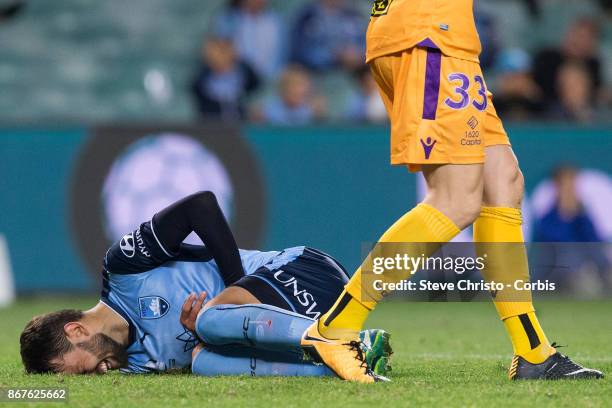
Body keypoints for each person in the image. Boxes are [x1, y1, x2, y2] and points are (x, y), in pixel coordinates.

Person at [299, 0, 604, 383]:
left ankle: (534, 354)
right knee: (455, 200)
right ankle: (334, 329)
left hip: (448, 40)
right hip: (428, 34)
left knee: (503, 183)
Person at [19, 192, 391, 376]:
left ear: (76, 330)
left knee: (213, 321)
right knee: (202, 359)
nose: (101, 372)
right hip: (290, 324)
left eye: (85, 367)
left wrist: (236, 288)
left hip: (303, 272)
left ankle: (331, 340)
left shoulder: (123, 270)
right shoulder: (136, 364)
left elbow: (200, 205)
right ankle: (345, 359)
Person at [191, 36, 260, 121]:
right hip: (212, 129)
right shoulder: (199, 81)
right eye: (216, 50)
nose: (220, 56)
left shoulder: (248, 75)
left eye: (223, 50)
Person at [213, 0, 284, 79]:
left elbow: (281, 59)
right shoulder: (228, 20)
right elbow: (219, 52)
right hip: (236, 79)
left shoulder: (276, 21)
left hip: (270, 80)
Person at [289, 0, 366, 72]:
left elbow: (366, 45)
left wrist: (357, 54)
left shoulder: (353, 14)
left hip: (355, 74)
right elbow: (301, 53)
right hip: (317, 75)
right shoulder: (307, 16)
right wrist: (335, 55)